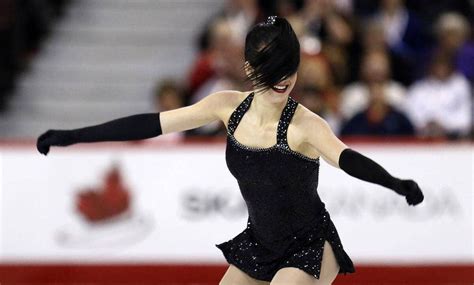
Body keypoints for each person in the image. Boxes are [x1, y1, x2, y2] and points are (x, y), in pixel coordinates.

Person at [36, 16, 424, 285]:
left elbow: (347, 159)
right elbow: (152, 124)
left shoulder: (305, 124)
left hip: (309, 246)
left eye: (289, 67)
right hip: (260, 242)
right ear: (251, 68)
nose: (284, 79)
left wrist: (395, 182)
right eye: (273, 68)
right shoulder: (226, 105)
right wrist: (73, 136)